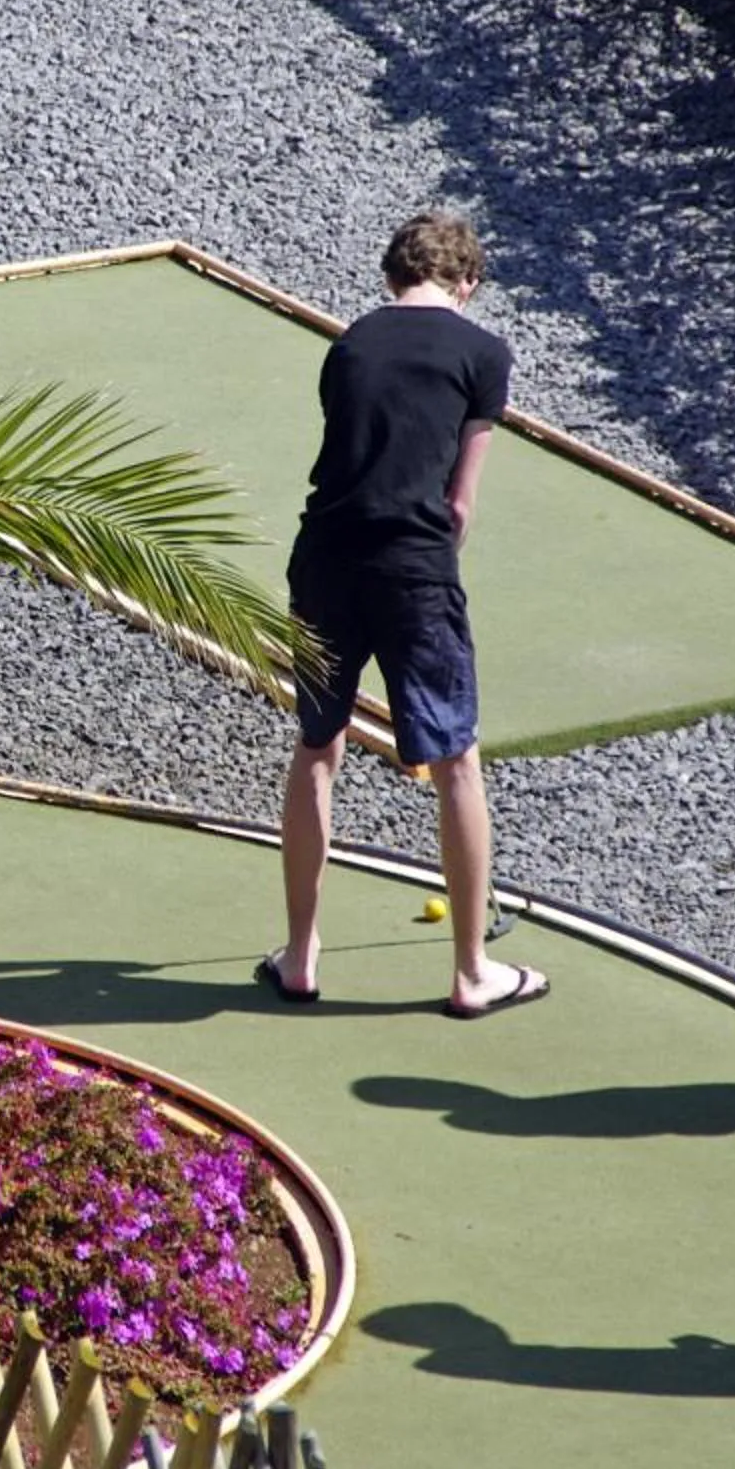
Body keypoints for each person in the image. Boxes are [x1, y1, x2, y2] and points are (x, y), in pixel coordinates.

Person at [257, 211, 547, 1020]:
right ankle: (470, 971)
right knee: (455, 758)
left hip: (324, 558)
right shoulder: (484, 355)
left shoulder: (349, 346)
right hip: (413, 570)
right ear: (468, 283)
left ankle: (302, 958)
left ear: (391, 277)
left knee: (318, 745)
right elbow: (459, 504)